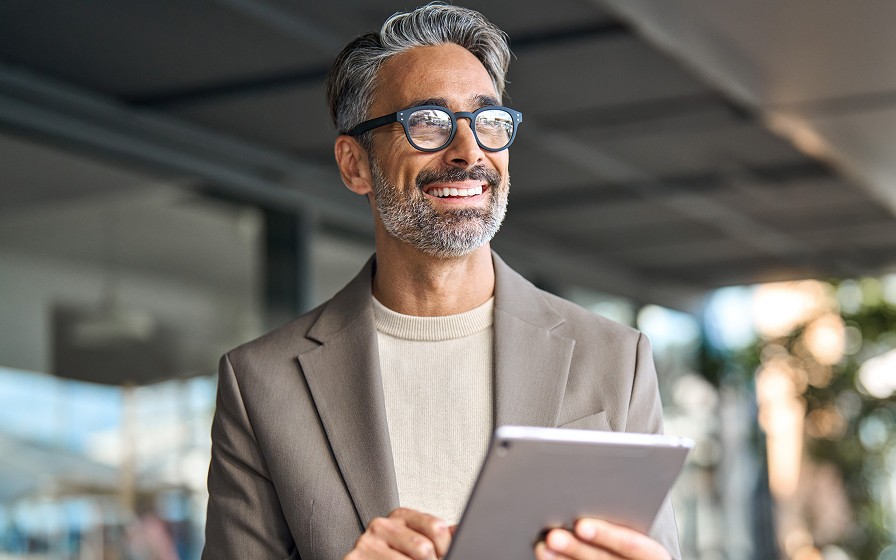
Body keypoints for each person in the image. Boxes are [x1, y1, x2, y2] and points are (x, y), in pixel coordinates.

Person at [203, 3, 681, 559]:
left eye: (489, 122)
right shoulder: (260, 383)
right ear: (355, 164)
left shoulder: (616, 360)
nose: (469, 151)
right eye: (428, 122)